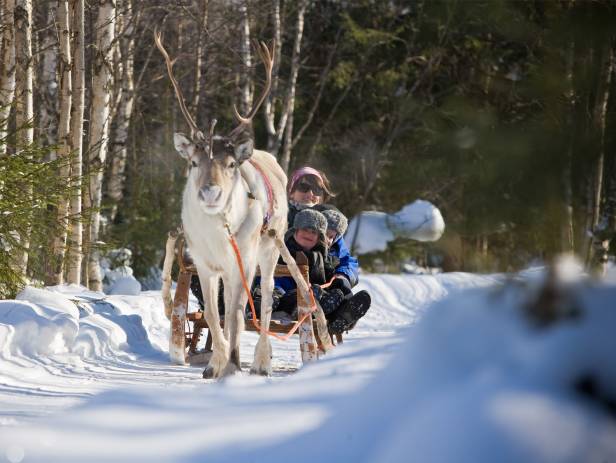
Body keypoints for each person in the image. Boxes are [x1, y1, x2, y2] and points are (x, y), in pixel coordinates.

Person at [258, 208, 370, 335]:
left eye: (332, 236)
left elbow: (348, 262)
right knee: (315, 292)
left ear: (337, 237)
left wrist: (343, 276)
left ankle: (342, 317)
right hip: (290, 293)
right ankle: (327, 313)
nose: (327, 239)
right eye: (325, 234)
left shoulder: (333, 249)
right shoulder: (297, 244)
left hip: (317, 291)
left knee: (339, 291)